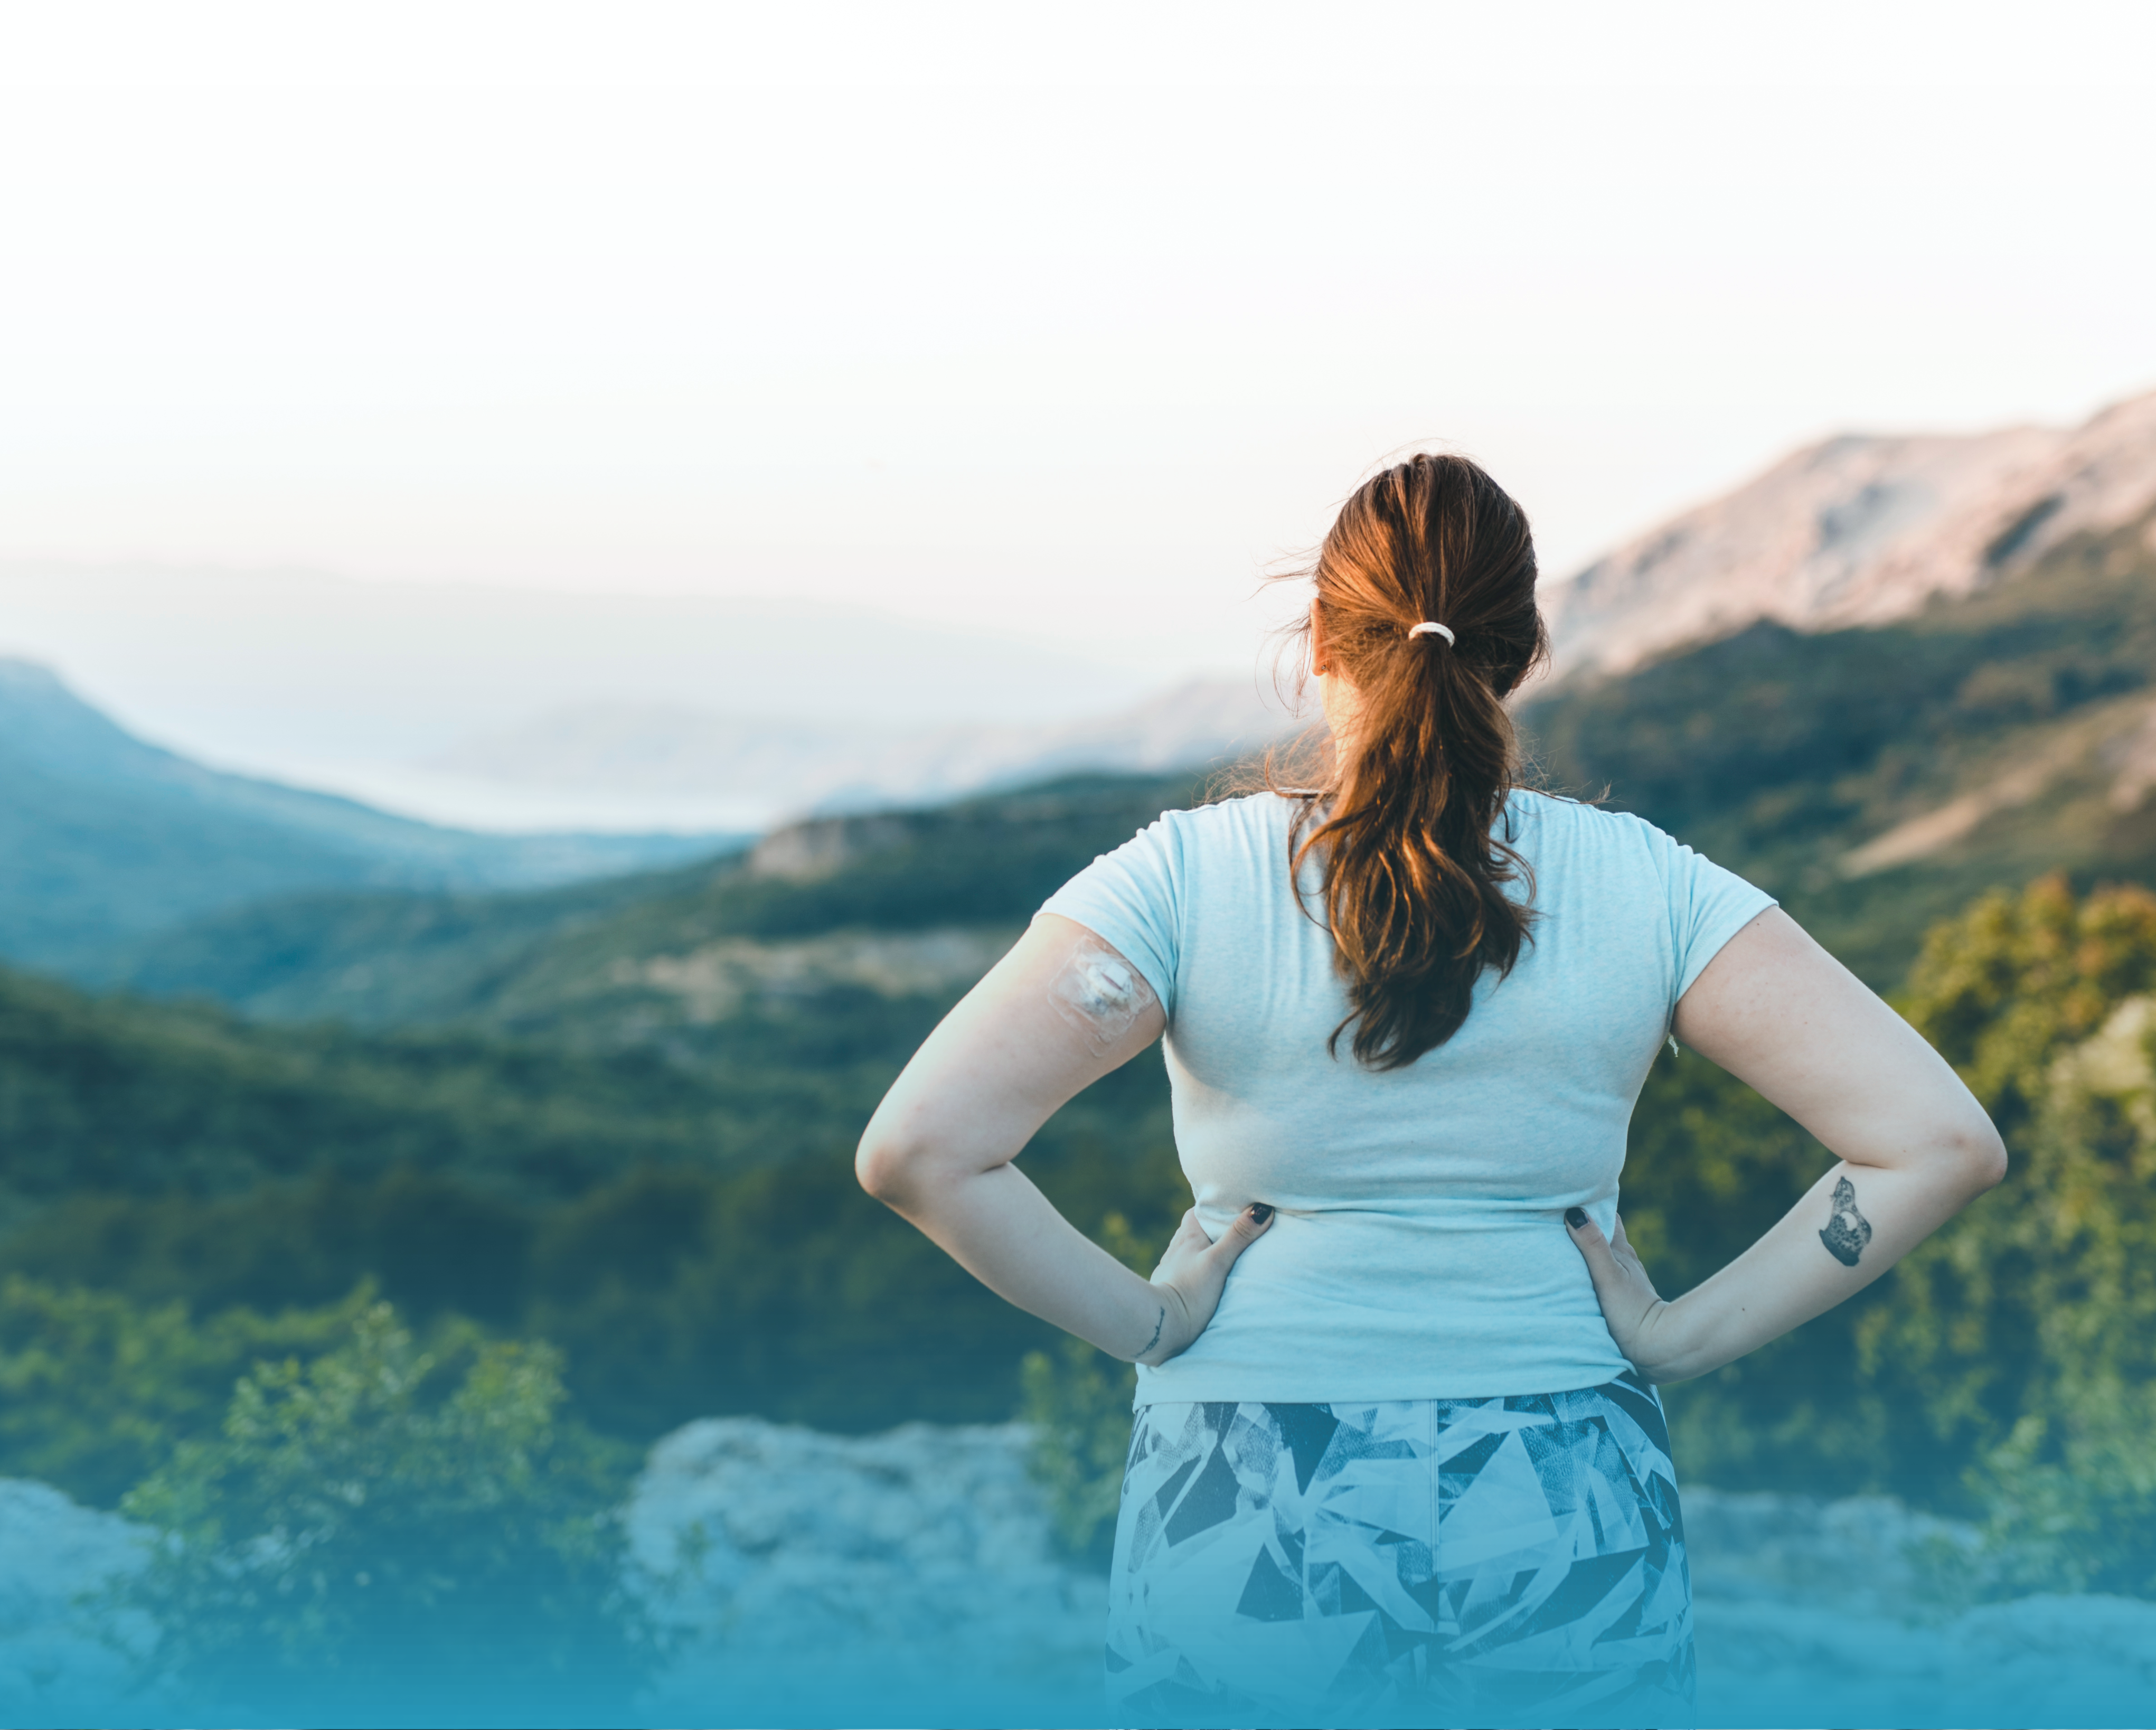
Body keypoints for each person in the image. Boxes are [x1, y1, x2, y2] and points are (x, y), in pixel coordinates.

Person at [855, 453, 2006, 1727]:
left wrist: (1150, 1319)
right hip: (1562, 1468)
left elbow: (920, 1150)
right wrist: (1682, 1335)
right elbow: (1934, 1143)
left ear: (1315, 644)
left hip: (1248, 1469)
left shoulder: (1184, 879)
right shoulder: (1651, 885)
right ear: (1519, 654)